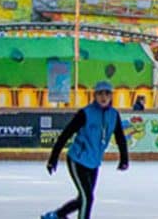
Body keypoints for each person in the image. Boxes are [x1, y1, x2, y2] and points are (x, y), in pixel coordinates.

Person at [40, 81, 128, 219]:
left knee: (84, 198)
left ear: (111, 96)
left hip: (94, 162)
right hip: (77, 160)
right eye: (100, 93)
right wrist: (53, 158)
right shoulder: (85, 113)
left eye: (107, 93)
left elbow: (120, 138)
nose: (103, 97)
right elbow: (65, 135)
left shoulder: (114, 115)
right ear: (95, 96)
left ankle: (57, 215)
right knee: (88, 198)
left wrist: (124, 159)